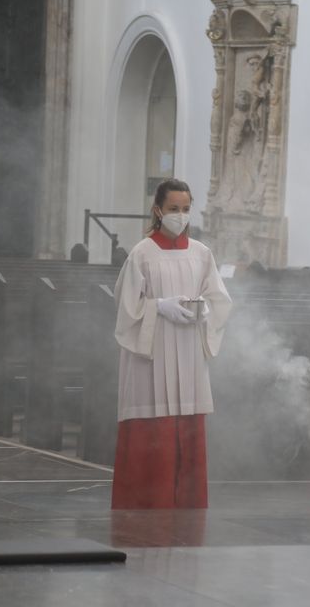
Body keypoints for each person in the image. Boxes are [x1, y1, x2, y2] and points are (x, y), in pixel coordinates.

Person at [111, 179, 232, 509]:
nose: (180, 216)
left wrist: (205, 308)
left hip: (189, 352)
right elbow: (125, 307)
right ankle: (142, 509)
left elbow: (219, 299)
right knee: (153, 429)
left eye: (185, 209)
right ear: (158, 211)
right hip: (152, 355)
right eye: (173, 209)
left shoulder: (201, 253)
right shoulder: (142, 253)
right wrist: (156, 306)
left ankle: (186, 510)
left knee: (186, 427)